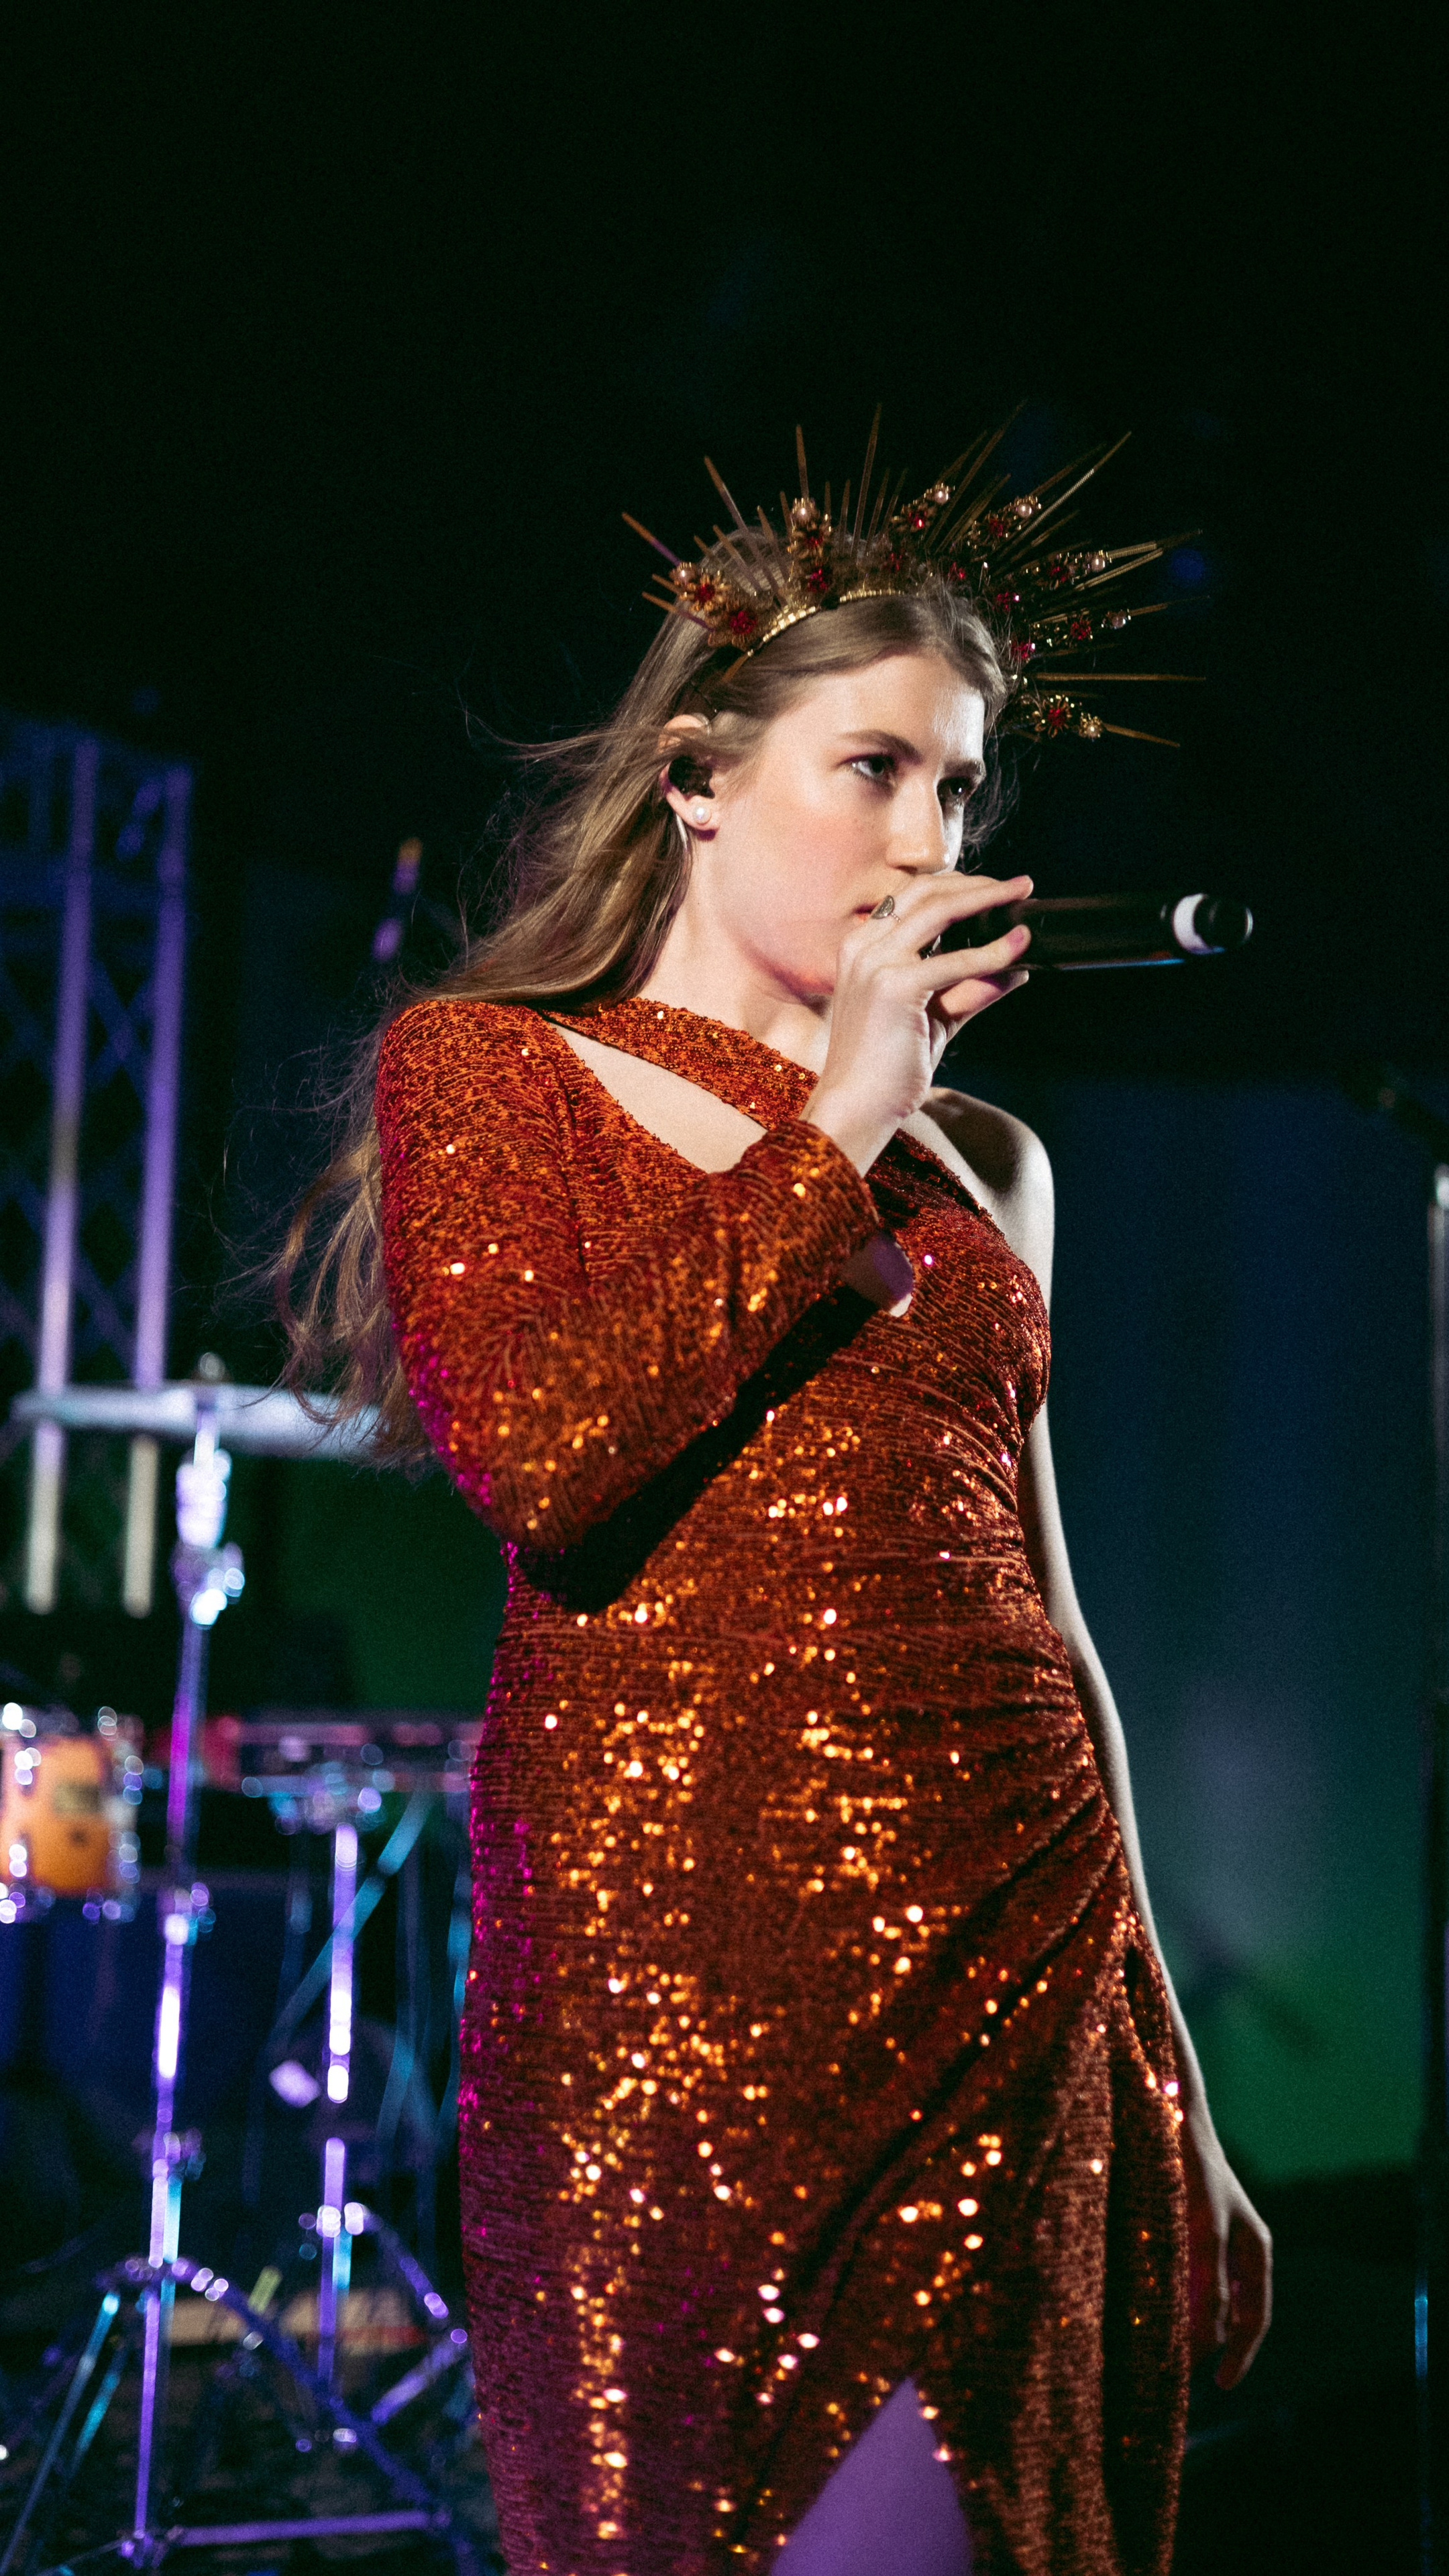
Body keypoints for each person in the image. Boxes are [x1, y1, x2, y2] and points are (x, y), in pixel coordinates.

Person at [282, 437, 1271, 2575]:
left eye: (964, 791)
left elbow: (1062, 1629)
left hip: (1028, 1985)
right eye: (878, 771)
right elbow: (543, 1452)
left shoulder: (991, 1164)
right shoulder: (491, 1073)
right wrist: (830, 1121)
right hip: (698, 1998)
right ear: (700, 778)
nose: (931, 839)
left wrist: (1178, 2088)